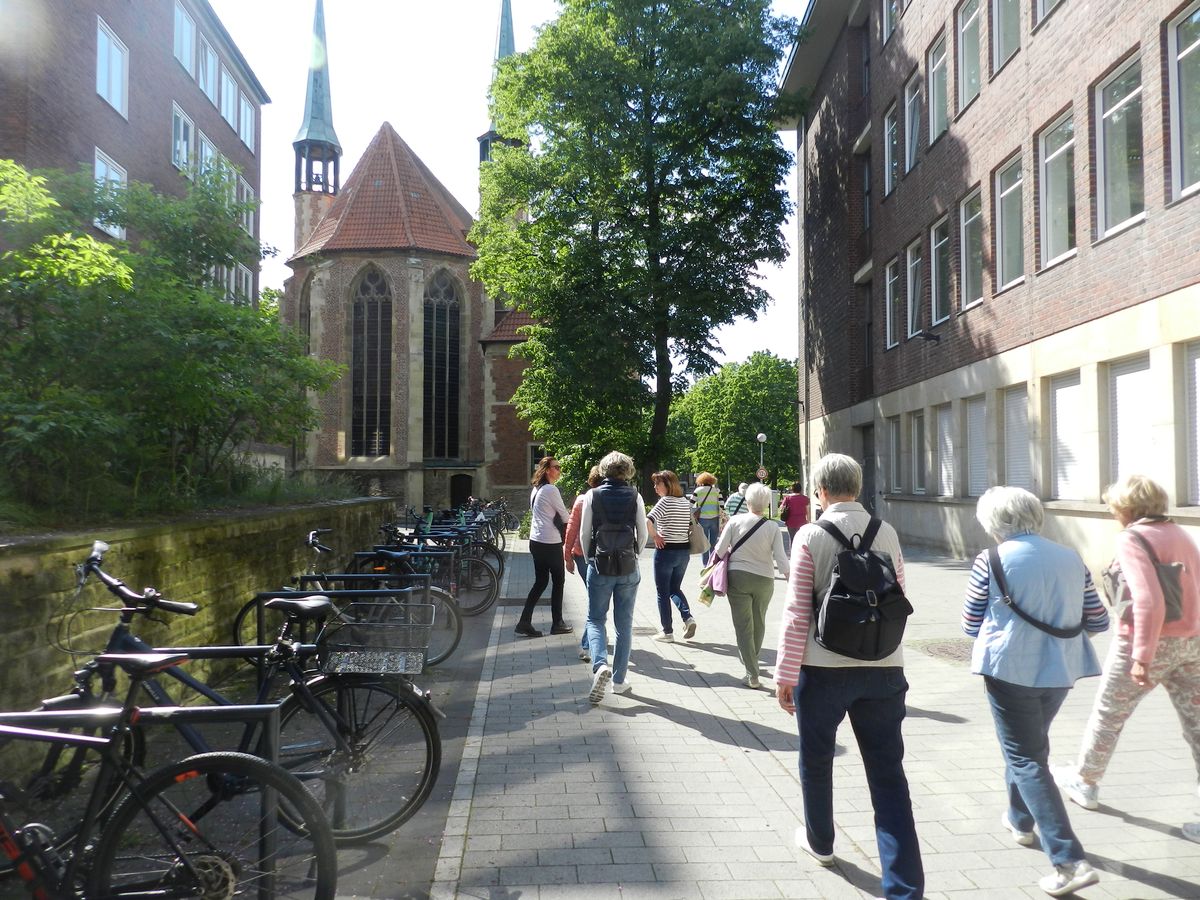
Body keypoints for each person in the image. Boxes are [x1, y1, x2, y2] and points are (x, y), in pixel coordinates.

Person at [775, 453, 924, 900]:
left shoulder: (809, 535)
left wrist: (785, 673)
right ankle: (905, 885)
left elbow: (797, 610)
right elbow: (899, 595)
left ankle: (821, 842)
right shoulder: (887, 532)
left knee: (816, 759)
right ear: (857, 488)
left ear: (820, 490)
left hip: (822, 668)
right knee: (888, 774)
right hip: (884, 668)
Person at [963, 486, 1108, 897]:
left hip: (1009, 670)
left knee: (1025, 756)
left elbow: (970, 623)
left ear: (993, 522)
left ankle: (1068, 860)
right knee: (1029, 748)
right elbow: (1098, 620)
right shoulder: (1071, 557)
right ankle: (1020, 819)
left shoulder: (990, 560)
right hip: (1061, 670)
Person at [1053, 474, 1200, 815]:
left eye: (1114, 506)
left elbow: (1148, 600)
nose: (1112, 513)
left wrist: (1141, 657)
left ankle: (1086, 781)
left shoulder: (1133, 538)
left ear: (1129, 508)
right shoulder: (1181, 534)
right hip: (1191, 643)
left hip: (1143, 641)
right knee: (1197, 725)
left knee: (1109, 714)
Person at [580, 451, 647, 702]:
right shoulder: (635, 495)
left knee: (595, 619)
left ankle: (600, 665)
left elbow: (585, 532)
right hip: (628, 566)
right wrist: (636, 554)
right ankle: (619, 681)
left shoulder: (593, 495)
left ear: (604, 470)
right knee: (624, 625)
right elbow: (643, 533)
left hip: (600, 564)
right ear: (627, 470)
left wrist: (589, 558)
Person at [712, 482, 788, 688]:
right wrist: (791, 579)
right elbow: (781, 558)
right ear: (767, 503)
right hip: (765, 579)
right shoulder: (772, 526)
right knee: (759, 621)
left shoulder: (735, 521)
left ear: (747, 501)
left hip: (738, 577)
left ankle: (752, 673)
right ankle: (752, 662)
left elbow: (719, 550)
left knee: (743, 626)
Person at [517, 456, 572, 638]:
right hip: (550, 542)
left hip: (536, 541)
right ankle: (557, 623)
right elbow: (565, 517)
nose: (559, 470)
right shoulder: (550, 489)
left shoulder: (536, 489)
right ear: (548, 470)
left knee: (540, 582)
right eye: (557, 467)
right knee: (558, 581)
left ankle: (524, 622)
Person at [647, 469, 697, 643]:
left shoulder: (664, 501)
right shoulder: (684, 502)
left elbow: (648, 521)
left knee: (662, 592)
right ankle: (688, 618)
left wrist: (655, 536)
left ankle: (667, 632)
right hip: (683, 552)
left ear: (668, 484)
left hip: (665, 552)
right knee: (674, 588)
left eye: (658, 484)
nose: (655, 487)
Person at [564, 466, 603, 662]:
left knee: (595, 598)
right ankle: (592, 640)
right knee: (597, 599)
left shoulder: (582, 500)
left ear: (590, 481)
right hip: (607, 556)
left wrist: (567, 556)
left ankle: (590, 643)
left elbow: (571, 529)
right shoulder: (612, 499)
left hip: (582, 555)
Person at [692, 472, 722, 566]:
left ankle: (705, 565)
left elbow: (690, 504)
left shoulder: (698, 491)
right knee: (713, 543)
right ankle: (712, 563)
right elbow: (722, 506)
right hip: (715, 519)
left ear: (701, 480)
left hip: (702, 519)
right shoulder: (717, 491)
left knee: (704, 544)